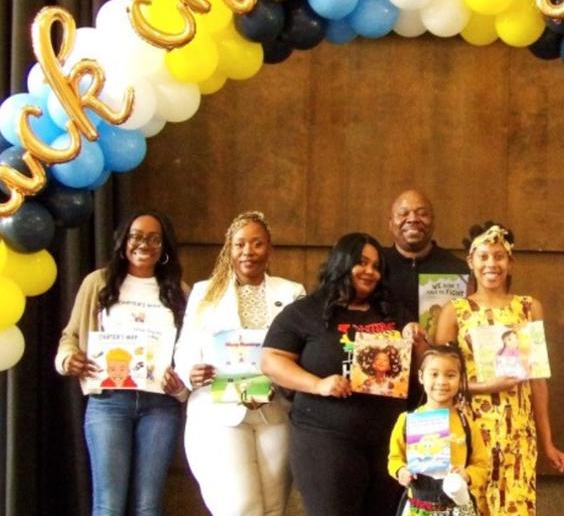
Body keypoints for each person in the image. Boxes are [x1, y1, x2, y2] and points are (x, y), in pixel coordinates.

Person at [260, 232, 424, 516]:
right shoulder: (305, 311)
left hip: (388, 442)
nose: (370, 271)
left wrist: (417, 337)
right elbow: (270, 360)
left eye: (376, 266)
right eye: (361, 263)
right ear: (341, 262)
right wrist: (317, 384)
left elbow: (425, 368)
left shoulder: (392, 311)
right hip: (326, 440)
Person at [55, 210, 189, 516]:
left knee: (148, 505)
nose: (145, 244)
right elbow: (70, 337)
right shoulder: (98, 283)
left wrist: (180, 385)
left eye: (155, 239)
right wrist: (67, 360)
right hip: (109, 402)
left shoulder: (180, 291)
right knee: (109, 505)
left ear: (164, 246)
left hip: (160, 406)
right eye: (137, 236)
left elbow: (190, 351)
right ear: (123, 241)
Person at [174, 211, 305, 516]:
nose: (248, 252)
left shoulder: (291, 293)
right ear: (229, 250)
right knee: (240, 508)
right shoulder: (205, 292)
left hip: (274, 412)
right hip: (218, 413)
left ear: (270, 249)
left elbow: (301, 349)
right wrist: (190, 370)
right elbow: (186, 348)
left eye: (257, 244)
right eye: (240, 244)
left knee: (274, 509)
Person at [434, 223, 564, 516]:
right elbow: (436, 381)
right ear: (471, 262)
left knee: (515, 506)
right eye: (483, 257)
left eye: (499, 256)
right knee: (469, 505)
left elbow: (538, 381)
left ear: (510, 262)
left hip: (517, 432)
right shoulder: (455, 311)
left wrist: (547, 442)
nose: (491, 264)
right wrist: (485, 387)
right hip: (470, 428)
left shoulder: (528, 308)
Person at [388, 344, 490, 516]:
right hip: (418, 507)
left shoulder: (466, 423)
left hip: (458, 507)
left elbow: (481, 465)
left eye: (450, 375)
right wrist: (401, 471)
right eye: (434, 374)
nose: (442, 381)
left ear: (460, 378)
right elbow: (394, 459)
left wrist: (467, 475)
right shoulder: (407, 421)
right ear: (421, 376)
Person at [381, 189, 469, 320]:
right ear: (390, 223)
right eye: (403, 214)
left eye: (422, 214)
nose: (412, 219)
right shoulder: (377, 265)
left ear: (433, 222)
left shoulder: (457, 269)